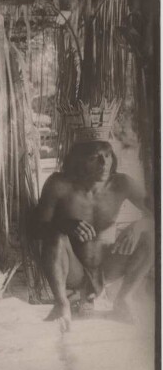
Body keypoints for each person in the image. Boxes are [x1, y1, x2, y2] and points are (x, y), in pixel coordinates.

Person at [32, 140, 154, 331]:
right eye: (93, 158)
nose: (104, 163)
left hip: (107, 266)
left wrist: (139, 226)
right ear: (78, 161)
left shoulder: (122, 183)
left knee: (151, 237)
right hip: (74, 269)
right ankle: (62, 304)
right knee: (54, 236)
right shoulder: (59, 184)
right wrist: (65, 224)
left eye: (106, 155)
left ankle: (123, 299)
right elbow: (37, 228)